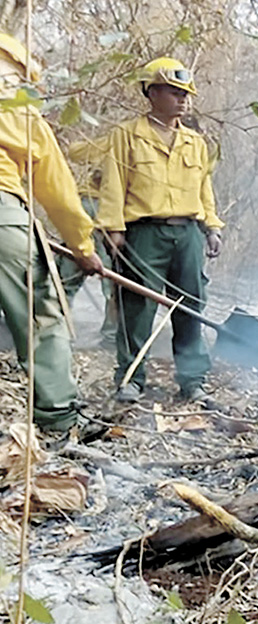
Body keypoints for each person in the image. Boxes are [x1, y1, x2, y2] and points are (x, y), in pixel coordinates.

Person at [97, 57, 223, 405]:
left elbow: (204, 190)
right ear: (151, 92)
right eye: (174, 92)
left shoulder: (195, 142)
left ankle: (193, 381)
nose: (182, 100)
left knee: (191, 306)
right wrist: (113, 229)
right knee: (137, 307)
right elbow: (113, 185)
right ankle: (131, 380)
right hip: (143, 233)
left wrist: (211, 227)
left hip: (188, 235)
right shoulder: (126, 136)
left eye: (185, 94)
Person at [0, 34, 104, 438]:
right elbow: (58, 193)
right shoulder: (21, 114)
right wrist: (83, 248)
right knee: (41, 316)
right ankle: (59, 418)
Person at [57, 134, 117, 347]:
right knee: (113, 280)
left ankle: (56, 332)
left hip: (96, 208)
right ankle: (111, 337)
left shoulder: (120, 136)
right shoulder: (125, 136)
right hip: (109, 212)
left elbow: (77, 152)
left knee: (67, 278)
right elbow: (77, 153)